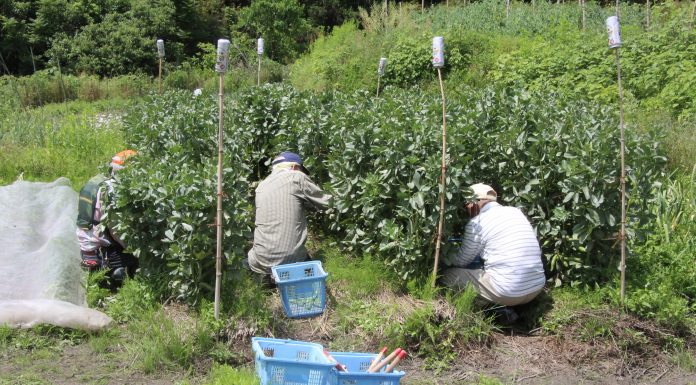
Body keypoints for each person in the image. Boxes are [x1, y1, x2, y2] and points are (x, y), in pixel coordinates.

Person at [441, 183, 546, 322]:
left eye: (466, 205)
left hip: (509, 292)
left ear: (474, 202)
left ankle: (488, 311)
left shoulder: (477, 222)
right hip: (536, 287)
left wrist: (444, 256)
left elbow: (462, 260)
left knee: (449, 276)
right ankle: (505, 308)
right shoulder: (516, 211)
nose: (466, 210)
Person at [246, 151, 331, 282]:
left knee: (251, 257)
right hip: (290, 262)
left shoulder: (261, 186)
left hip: (259, 262)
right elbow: (328, 203)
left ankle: (264, 278)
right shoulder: (297, 177)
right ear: (294, 167)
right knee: (304, 259)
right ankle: (287, 275)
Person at [76, 150, 138, 286]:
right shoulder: (112, 194)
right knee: (132, 264)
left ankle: (97, 270)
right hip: (99, 246)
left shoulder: (99, 184)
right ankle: (111, 274)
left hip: (86, 244)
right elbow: (116, 231)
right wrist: (134, 249)